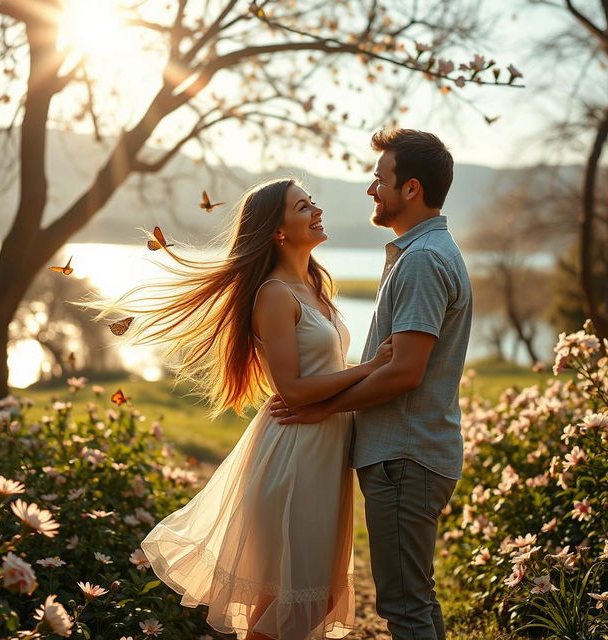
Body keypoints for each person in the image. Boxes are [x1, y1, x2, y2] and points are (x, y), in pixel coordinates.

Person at [93, 178, 392, 640]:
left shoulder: (313, 281)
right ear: (277, 229)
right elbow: (292, 389)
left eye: (313, 203)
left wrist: (365, 372)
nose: (317, 211)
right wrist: (371, 368)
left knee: (317, 597)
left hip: (323, 451)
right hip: (294, 453)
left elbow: (325, 367)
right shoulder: (274, 293)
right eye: (302, 206)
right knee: (293, 602)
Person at [271, 129, 473, 640]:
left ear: (410, 189)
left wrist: (327, 408)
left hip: (405, 454)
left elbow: (405, 371)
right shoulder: (418, 253)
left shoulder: (423, 260)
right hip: (407, 452)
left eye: (380, 179)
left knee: (405, 606)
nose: (370, 189)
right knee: (416, 597)